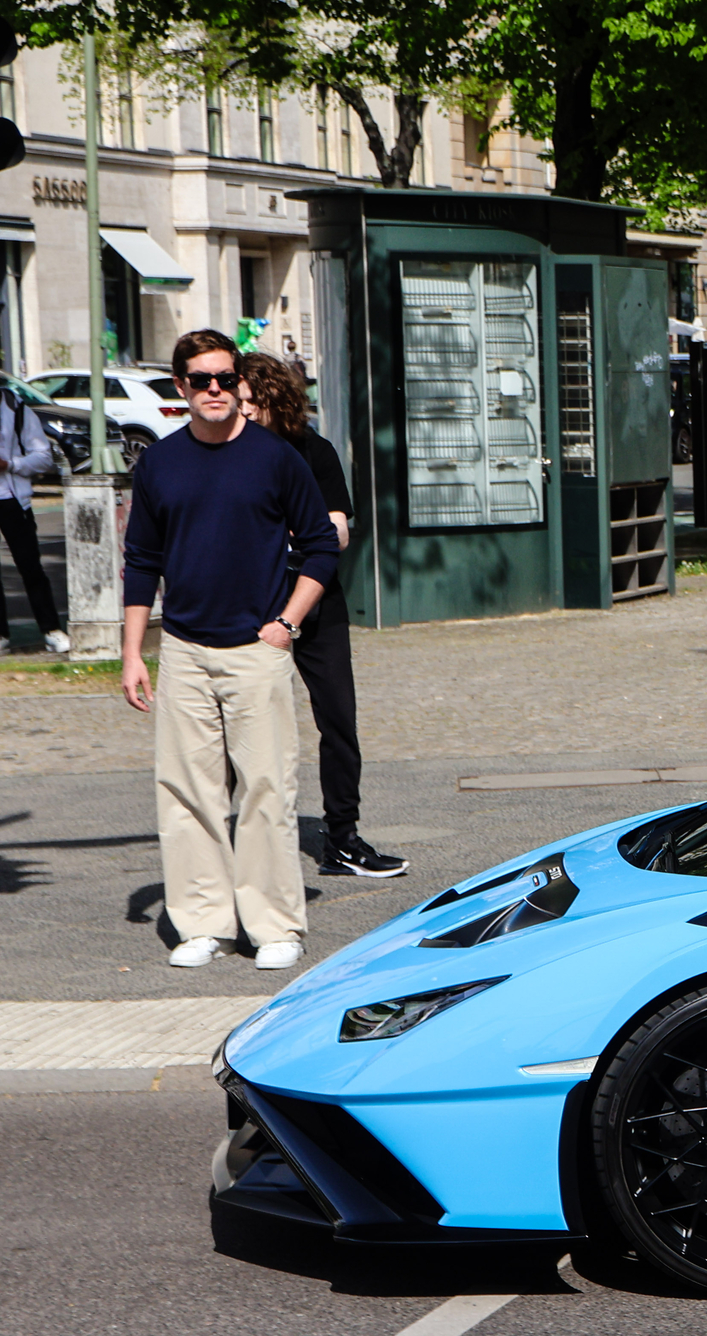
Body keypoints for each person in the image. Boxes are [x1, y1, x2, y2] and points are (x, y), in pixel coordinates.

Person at [121, 329, 340, 971]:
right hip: (184, 648)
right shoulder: (160, 464)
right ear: (181, 387)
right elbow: (141, 562)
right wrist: (135, 652)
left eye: (224, 377)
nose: (214, 389)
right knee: (187, 794)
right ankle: (203, 923)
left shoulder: (275, 457)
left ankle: (275, 926)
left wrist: (288, 624)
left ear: (238, 384)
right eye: (200, 380)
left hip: (257, 648)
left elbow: (322, 544)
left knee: (268, 788)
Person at [237, 351, 406, 879]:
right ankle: (248, 841)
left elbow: (338, 530)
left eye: (250, 402)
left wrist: (306, 528)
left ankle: (342, 839)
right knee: (249, 725)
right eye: (237, 402)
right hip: (252, 602)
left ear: (273, 400)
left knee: (337, 719)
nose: (241, 412)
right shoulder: (230, 456)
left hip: (316, 599)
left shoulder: (314, 451)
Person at [2, 376, 68, 654]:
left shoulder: (14, 407)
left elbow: (43, 456)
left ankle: (51, 629)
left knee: (30, 566)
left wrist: (10, 463)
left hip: (13, 499)